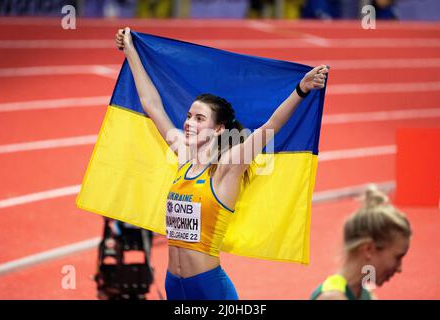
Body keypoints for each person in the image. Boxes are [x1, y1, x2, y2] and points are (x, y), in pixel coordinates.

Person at [115, 27, 328, 300]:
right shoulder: (183, 157)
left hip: (209, 289)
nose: (189, 123)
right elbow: (152, 105)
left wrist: (302, 89)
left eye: (199, 119)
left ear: (218, 129)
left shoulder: (227, 168)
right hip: (173, 285)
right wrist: (131, 49)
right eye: (189, 116)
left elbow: (269, 128)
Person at [310, 186, 412, 300]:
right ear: (368, 249)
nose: (399, 268)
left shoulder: (364, 293)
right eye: (397, 257)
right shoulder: (332, 297)